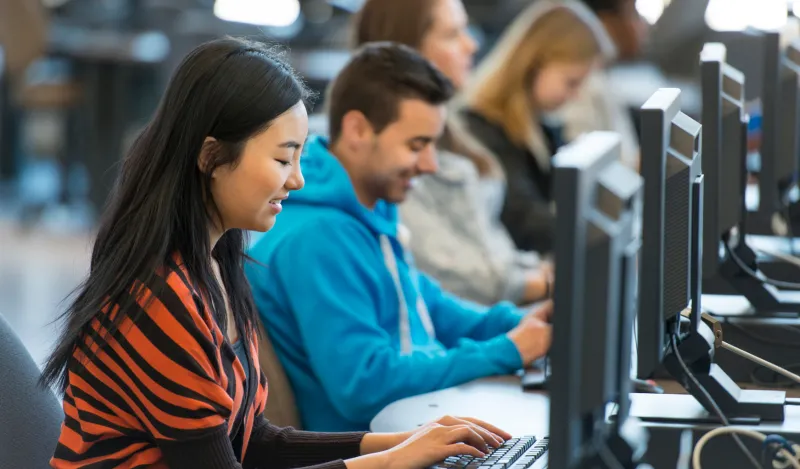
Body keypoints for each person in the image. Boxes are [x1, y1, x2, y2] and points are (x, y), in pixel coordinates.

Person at [40, 37, 516, 469]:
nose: (297, 179)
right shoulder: (158, 298)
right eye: (282, 158)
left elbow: (256, 442)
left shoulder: (219, 263)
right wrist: (391, 462)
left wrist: (401, 442)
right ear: (210, 157)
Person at [245, 43, 553, 432]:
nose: (430, 164)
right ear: (358, 129)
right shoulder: (317, 239)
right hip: (377, 439)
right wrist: (505, 350)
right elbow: (366, 385)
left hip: (416, 423)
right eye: (416, 145)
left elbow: (430, 308)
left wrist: (518, 324)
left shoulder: (368, 209)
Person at [352, 0, 552, 305]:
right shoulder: (382, 151)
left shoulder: (451, 127)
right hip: (469, 322)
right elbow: (444, 270)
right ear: (409, 50)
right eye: (452, 34)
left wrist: (539, 271)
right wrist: (546, 282)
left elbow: (487, 247)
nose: (471, 45)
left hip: (494, 311)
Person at [459, 0, 615, 254]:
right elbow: (525, 221)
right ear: (534, 63)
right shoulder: (482, 129)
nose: (575, 96)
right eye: (571, 82)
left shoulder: (539, 125)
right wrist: (596, 240)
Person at [558, 0, 649, 168]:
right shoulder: (584, 88)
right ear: (604, 24)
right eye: (633, 14)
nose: (642, 25)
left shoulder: (601, 81)